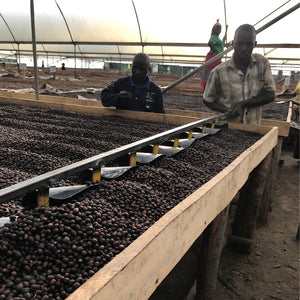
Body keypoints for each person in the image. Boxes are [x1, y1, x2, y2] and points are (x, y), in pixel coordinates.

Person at [203, 24, 275, 125]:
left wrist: (243, 104)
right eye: (239, 43)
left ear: (255, 44)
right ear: (233, 44)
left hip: (253, 127)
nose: (243, 48)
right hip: (225, 127)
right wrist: (226, 111)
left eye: (249, 44)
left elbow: (270, 94)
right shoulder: (218, 72)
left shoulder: (262, 64)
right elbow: (207, 100)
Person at [101, 53, 165, 113]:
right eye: (135, 68)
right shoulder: (121, 83)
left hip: (144, 124)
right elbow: (104, 97)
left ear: (148, 69)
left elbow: (161, 115)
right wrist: (118, 97)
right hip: (121, 123)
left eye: (141, 69)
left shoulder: (155, 90)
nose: (137, 72)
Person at [200, 19, 224, 90]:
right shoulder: (213, 37)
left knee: (212, 72)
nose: (219, 30)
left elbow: (219, 44)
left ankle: (212, 87)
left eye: (220, 29)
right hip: (214, 57)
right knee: (213, 72)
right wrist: (214, 50)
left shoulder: (217, 38)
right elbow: (210, 42)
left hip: (216, 56)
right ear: (214, 29)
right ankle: (209, 88)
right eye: (218, 28)